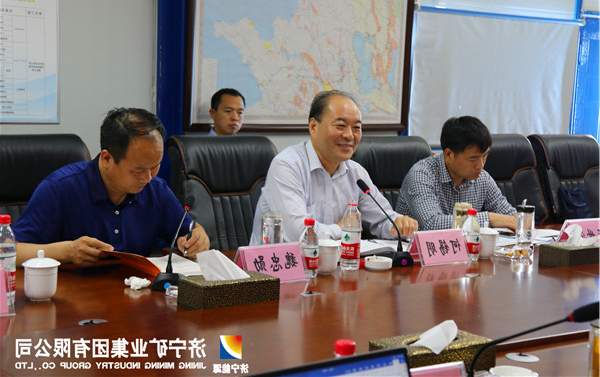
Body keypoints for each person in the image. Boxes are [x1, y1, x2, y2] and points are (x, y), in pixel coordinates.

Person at [13, 107, 210, 266]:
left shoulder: (156, 190)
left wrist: (198, 239)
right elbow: (11, 252)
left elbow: (189, 230)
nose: (148, 178)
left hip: (136, 294)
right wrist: (67, 251)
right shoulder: (60, 188)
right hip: (72, 296)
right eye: (138, 170)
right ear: (107, 158)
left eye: (155, 166)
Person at [249, 90, 418, 245]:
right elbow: (297, 234)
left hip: (336, 265)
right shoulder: (287, 166)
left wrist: (397, 225)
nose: (349, 135)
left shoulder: (356, 173)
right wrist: (341, 229)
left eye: (356, 128)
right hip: (280, 266)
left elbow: (382, 219)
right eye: (340, 126)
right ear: (313, 127)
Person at [396, 116, 516, 231]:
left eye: (485, 156)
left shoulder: (482, 178)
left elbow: (509, 216)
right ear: (448, 155)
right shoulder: (421, 175)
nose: (481, 165)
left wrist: (519, 220)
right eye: (472, 159)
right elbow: (431, 224)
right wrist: (490, 218)